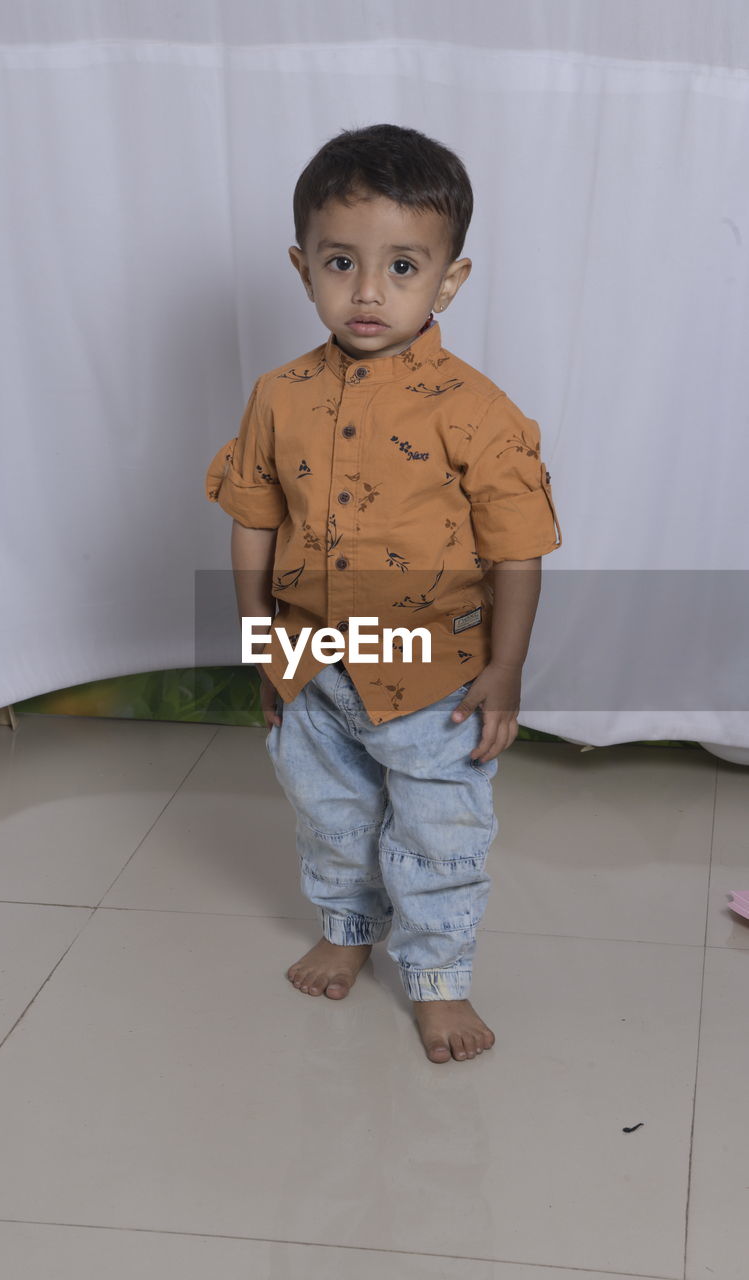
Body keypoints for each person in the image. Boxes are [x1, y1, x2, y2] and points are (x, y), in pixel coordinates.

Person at [205, 124, 561, 1064]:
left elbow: (517, 552)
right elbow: (251, 514)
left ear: (448, 280)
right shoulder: (277, 396)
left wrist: (508, 670)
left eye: (402, 265)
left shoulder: (477, 414)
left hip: (434, 680)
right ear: (302, 266)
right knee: (330, 813)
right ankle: (346, 928)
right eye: (340, 262)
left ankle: (439, 978)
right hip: (312, 667)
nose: (368, 291)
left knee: (440, 832)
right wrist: (257, 633)